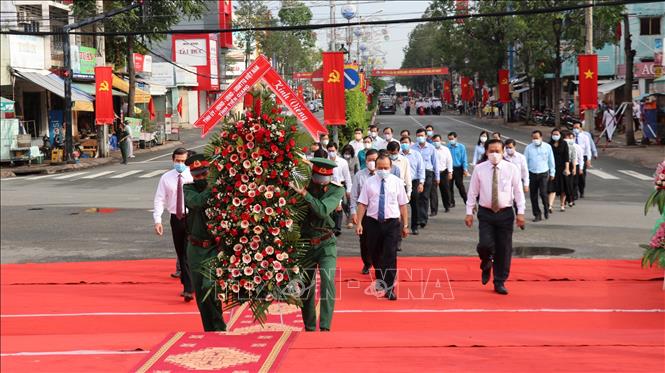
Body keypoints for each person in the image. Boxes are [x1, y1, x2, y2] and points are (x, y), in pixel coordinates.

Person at [290, 158, 345, 331]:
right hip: (305, 243)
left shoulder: (337, 190)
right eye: (317, 178)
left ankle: (325, 325)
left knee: (328, 281)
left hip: (326, 243)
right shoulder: (304, 185)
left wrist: (305, 194)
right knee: (306, 285)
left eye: (324, 179)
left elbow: (322, 211)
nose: (320, 182)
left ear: (330, 177)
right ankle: (310, 325)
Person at [465, 139, 526, 295]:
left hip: (505, 213)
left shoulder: (511, 169)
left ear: (503, 151)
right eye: (491, 151)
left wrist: (520, 212)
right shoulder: (479, 169)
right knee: (485, 244)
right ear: (486, 152)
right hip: (486, 213)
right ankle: (486, 262)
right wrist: (469, 212)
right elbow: (473, 192)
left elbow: (518, 191)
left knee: (504, 248)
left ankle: (499, 281)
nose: (494, 154)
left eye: (498, 151)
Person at [356, 154, 410, 301]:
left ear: (390, 167)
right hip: (372, 222)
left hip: (391, 223)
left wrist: (405, 225)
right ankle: (380, 279)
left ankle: (390, 287)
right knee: (375, 253)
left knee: (390, 255)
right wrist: (359, 222)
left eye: (386, 168)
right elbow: (362, 203)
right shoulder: (369, 182)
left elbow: (403, 205)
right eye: (380, 168)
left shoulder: (397, 182)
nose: (383, 170)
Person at [183, 154, 226, 331]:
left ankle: (219, 327)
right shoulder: (188, 189)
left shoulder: (220, 190)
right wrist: (212, 187)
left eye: (203, 174)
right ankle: (209, 331)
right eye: (196, 175)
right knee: (201, 294)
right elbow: (197, 202)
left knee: (211, 288)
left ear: (209, 172)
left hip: (214, 248)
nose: (200, 178)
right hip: (195, 248)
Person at [153, 148, 194, 301]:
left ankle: (189, 288)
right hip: (175, 218)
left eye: (183, 161)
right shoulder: (166, 178)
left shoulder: (192, 175)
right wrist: (157, 220)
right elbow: (159, 199)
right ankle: (187, 283)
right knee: (181, 253)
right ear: (173, 160)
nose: (180, 164)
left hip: (191, 217)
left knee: (189, 251)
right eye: (178, 161)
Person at [351, 149, 379, 274]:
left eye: (374, 160)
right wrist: (353, 212)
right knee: (365, 240)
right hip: (364, 213)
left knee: (379, 239)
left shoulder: (383, 175)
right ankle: (367, 263)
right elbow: (353, 195)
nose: (372, 162)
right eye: (370, 160)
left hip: (380, 212)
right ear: (365, 161)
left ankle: (379, 263)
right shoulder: (360, 175)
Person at [524, 130, 556, 222]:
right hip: (532, 173)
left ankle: (546, 208)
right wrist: (524, 175)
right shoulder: (528, 148)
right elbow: (525, 162)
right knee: (533, 195)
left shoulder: (547, 147)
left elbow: (551, 161)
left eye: (537, 138)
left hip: (544, 173)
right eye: (533, 138)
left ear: (541, 138)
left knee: (543, 193)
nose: (535, 140)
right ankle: (537, 214)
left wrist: (552, 172)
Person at [412, 128, 439, 226]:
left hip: (428, 173)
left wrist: (437, 177)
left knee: (425, 196)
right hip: (417, 174)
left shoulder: (431, 148)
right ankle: (418, 217)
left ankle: (423, 219)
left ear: (426, 136)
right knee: (417, 196)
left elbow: (435, 163)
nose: (420, 137)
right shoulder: (413, 147)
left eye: (422, 136)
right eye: (418, 136)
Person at [401, 136, 425, 235]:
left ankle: (415, 226)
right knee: (401, 205)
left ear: (410, 143)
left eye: (406, 142)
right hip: (401, 183)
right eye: (402, 142)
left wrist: (421, 183)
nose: (404, 144)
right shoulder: (398, 155)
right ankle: (401, 226)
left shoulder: (416, 154)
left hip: (414, 181)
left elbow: (421, 169)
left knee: (414, 204)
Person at [327, 143, 353, 236]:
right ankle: (330, 227)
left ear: (336, 150)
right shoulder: (326, 161)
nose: (331, 153)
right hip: (329, 186)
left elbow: (347, 177)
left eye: (333, 151)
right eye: (329, 151)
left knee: (340, 206)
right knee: (330, 206)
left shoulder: (342, 162)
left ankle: (337, 228)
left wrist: (349, 189)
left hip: (340, 186)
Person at [548, 129, 570, 212]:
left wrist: (567, 168)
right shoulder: (549, 144)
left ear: (560, 135)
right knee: (551, 187)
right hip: (552, 168)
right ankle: (550, 206)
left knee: (563, 188)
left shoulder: (564, 144)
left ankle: (562, 205)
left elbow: (566, 157)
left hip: (562, 168)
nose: (555, 136)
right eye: (553, 134)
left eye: (557, 134)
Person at [432, 134, 453, 213]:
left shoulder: (445, 149)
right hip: (433, 173)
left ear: (440, 141)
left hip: (443, 172)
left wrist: (450, 172)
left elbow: (449, 161)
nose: (436, 142)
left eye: (437, 141)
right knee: (433, 192)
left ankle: (447, 206)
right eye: (434, 141)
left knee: (445, 190)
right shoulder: (431, 149)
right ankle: (434, 210)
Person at [447, 132, 469, 207]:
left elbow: (464, 159)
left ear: (456, 138)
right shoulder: (447, 147)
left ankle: (467, 201)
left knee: (460, 185)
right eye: (449, 139)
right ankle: (451, 202)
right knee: (449, 186)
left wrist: (465, 169)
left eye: (452, 139)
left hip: (458, 168)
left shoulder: (461, 147)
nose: (451, 140)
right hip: (450, 169)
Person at [572, 123, 593, 198]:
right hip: (573, 157)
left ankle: (581, 190)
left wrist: (588, 159)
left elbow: (588, 149)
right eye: (574, 127)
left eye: (577, 127)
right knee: (574, 175)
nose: (575, 129)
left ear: (581, 128)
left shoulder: (585, 137)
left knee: (581, 176)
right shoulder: (571, 137)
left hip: (583, 157)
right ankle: (574, 192)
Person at [567, 131, 584, 205]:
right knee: (569, 182)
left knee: (574, 182)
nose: (570, 139)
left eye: (571, 138)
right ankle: (570, 197)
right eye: (568, 138)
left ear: (574, 138)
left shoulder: (577, 147)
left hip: (575, 165)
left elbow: (580, 158)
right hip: (567, 165)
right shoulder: (565, 146)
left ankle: (574, 195)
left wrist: (581, 168)